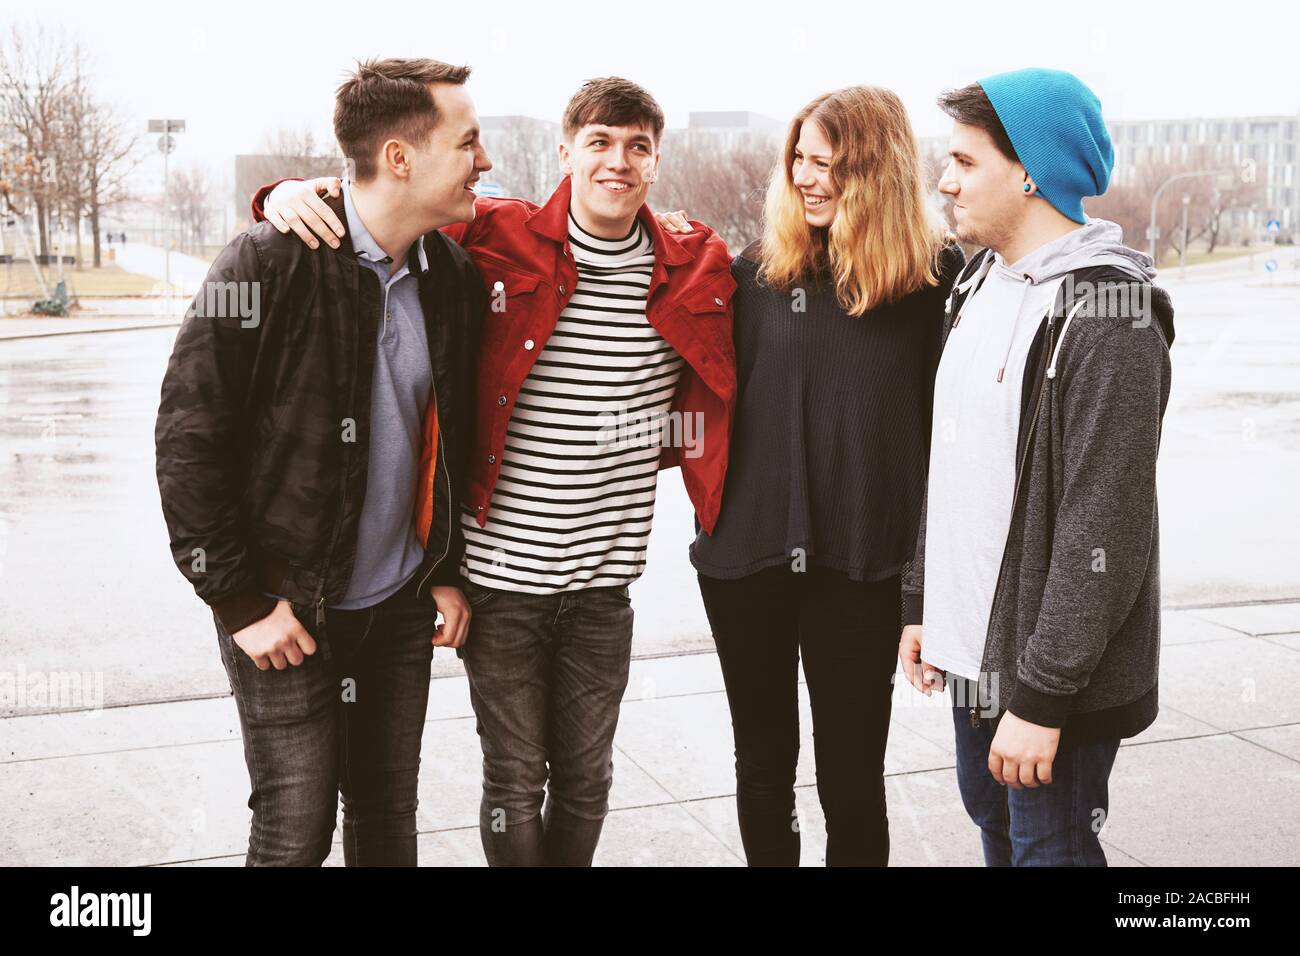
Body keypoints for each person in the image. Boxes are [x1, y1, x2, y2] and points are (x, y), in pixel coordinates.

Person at [253, 77, 735, 866]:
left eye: (638, 146)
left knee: (586, 779)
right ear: (566, 151)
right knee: (513, 780)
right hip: (501, 581)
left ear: (656, 161)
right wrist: (289, 193)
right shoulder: (497, 234)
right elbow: (386, 206)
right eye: (600, 143)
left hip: (603, 585)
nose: (619, 161)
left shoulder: (696, 262)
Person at [155, 57, 490, 865]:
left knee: (385, 823)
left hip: (398, 608)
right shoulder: (265, 263)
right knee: (293, 831)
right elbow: (188, 438)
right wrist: (238, 601)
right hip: (286, 611)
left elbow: (451, 438)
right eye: (469, 143)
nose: (484, 160)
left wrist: (443, 566)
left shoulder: (449, 275)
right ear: (401, 158)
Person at [676, 85, 963, 865]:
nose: (806, 177)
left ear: (876, 173)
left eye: (827, 163)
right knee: (764, 766)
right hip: (748, 562)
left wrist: (927, 588)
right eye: (799, 158)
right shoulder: (756, 276)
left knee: (851, 778)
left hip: (865, 571)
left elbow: (958, 444)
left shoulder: (935, 284)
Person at [898, 68, 1175, 866]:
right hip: (972, 656)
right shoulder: (976, 286)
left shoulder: (1109, 318)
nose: (945, 181)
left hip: (1049, 680)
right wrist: (923, 599)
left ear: (1028, 172)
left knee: (1047, 854)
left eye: (965, 161)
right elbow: (949, 466)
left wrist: (1043, 698)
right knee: (999, 841)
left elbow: (1107, 529)